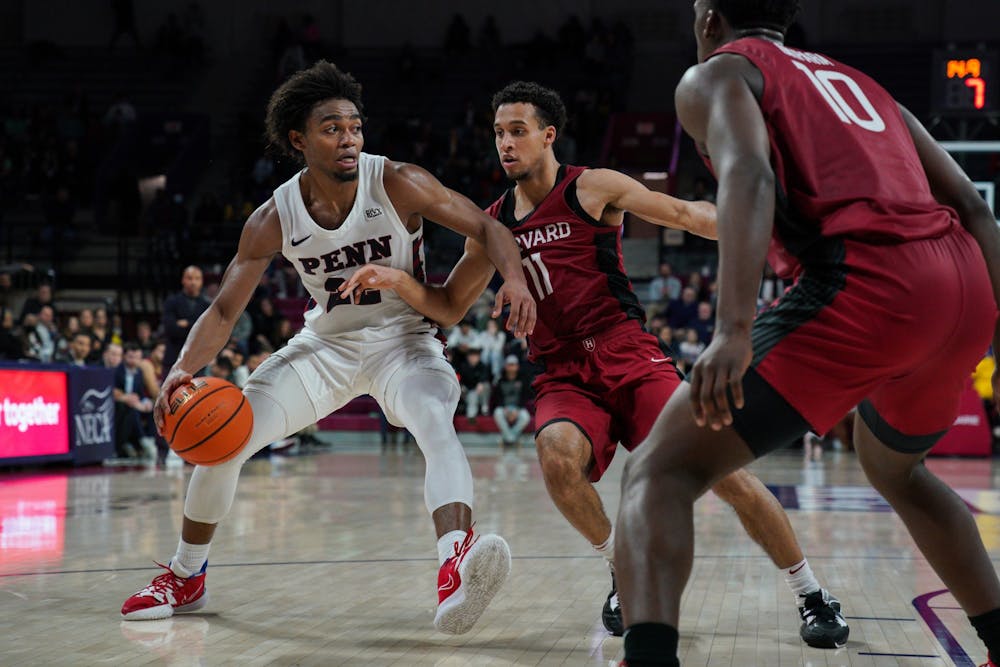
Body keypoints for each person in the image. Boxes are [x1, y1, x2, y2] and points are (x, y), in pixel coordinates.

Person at [342, 80, 847, 646]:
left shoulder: (591, 188)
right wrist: (398, 281)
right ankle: (622, 567)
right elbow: (450, 307)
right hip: (561, 372)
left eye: (517, 132)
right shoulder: (492, 226)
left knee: (726, 476)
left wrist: (766, 226)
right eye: (498, 134)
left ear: (548, 135)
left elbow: (684, 213)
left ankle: (810, 591)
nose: (505, 144)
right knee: (557, 461)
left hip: (627, 353)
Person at [614, 2, 1000, 666]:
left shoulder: (716, 75)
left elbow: (749, 175)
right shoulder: (864, 86)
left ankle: (648, 657)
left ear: (708, 17)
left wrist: (733, 327)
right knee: (897, 468)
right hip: (962, 286)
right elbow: (970, 202)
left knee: (660, 470)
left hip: (869, 282)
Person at [120, 60, 537, 636]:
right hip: (326, 345)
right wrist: (181, 369)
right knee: (225, 441)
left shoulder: (397, 181)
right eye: (332, 128)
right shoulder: (274, 217)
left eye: (355, 127)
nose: (349, 139)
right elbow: (222, 311)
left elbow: (489, 229)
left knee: (434, 421)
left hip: (406, 340)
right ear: (299, 139)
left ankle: (455, 562)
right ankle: (186, 575)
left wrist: (513, 279)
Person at [162, 266, 210, 370]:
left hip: (197, 359)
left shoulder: (207, 305)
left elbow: (206, 331)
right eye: (190, 278)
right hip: (174, 356)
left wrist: (187, 323)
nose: (193, 282)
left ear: (202, 281)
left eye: (197, 279)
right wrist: (195, 326)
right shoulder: (171, 302)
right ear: (183, 280)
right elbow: (170, 328)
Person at [492, 355, 532, 449]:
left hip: (518, 408)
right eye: (509, 365)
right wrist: (505, 409)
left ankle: (508, 437)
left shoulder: (523, 379)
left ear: (517, 366)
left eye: (513, 365)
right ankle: (512, 438)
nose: (511, 367)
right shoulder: (500, 380)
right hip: (504, 407)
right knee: (497, 413)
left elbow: (525, 397)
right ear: (506, 366)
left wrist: (517, 410)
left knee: (525, 417)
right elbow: (497, 398)